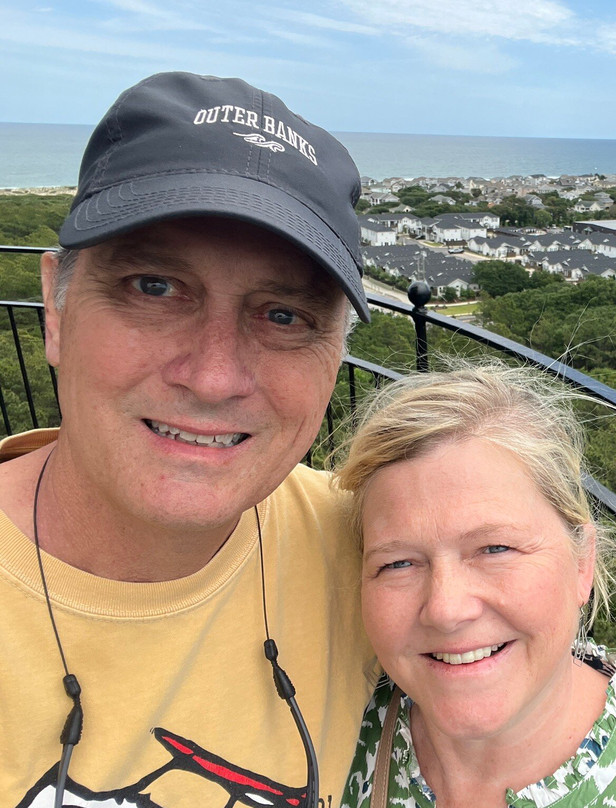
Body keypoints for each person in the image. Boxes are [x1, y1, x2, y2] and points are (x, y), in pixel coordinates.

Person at [0, 72, 375, 807]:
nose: (213, 376)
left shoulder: (377, 549)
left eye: (285, 316)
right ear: (55, 307)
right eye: (154, 287)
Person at [334, 363, 616, 808]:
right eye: (398, 563)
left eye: (495, 549)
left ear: (582, 563)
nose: (447, 609)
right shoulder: (331, 724)